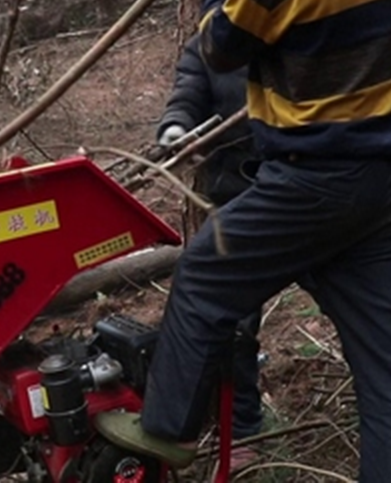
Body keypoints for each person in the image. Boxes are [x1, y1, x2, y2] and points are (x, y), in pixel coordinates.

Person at [97, 0, 391, 481]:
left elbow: (220, 49)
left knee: (203, 274)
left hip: (310, 186)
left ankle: (167, 428)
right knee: (390, 360)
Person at [156, 34, 265, 467]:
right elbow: (189, 87)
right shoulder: (212, 36)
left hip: (306, 183)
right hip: (238, 194)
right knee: (232, 321)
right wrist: (177, 126)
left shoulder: (293, 19)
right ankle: (238, 427)